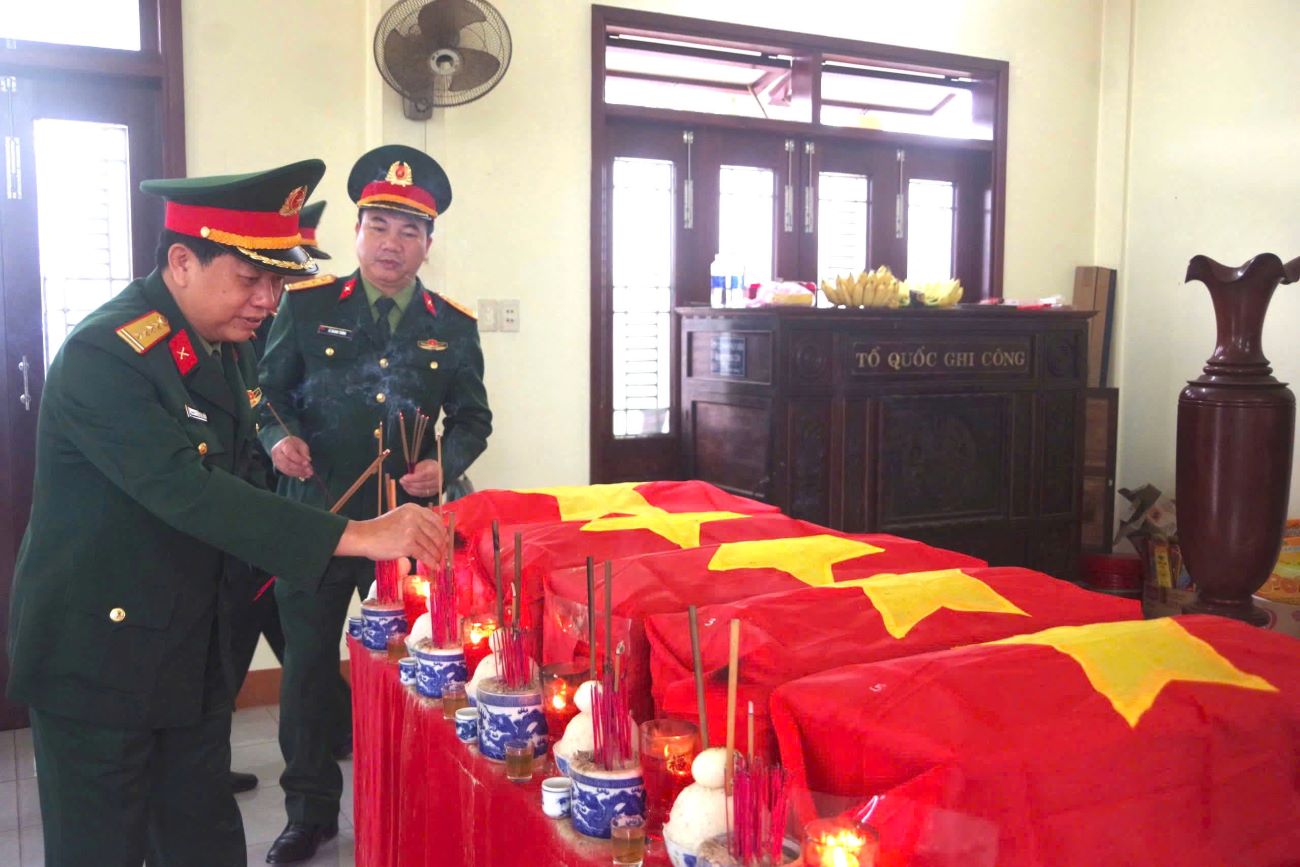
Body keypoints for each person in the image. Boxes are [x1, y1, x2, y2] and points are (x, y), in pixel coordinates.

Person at [5, 159, 449, 867]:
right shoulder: (108, 355)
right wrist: (356, 534)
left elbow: (247, 478)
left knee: (203, 840)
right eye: (252, 279)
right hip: (101, 659)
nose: (268, 300)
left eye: (277, 281)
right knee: (102, 847)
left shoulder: (224, 347)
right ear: (182, 261)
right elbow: (190, 491)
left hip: (190, 647)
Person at [257, 144, 492, 863]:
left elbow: (475, 419)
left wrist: (441, 464)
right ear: (358, 232)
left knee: (426, 660)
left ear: (428, 243)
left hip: (413, 525)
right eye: (380, 226)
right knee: (303, 667)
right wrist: (277, 438)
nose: (393, 244)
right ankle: (310, 810)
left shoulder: (450, 324)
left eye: (409, 231)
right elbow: (261, 393)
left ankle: (422, 788)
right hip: (321, 516)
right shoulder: (305, 306)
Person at [228, 198, 351, 796]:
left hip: (289, 506)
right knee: (259, 640)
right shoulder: (234, 328)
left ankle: (339, 731)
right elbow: (255, 407)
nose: (279, 293)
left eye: (295, 273)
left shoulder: (311, 316)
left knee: (296, 643)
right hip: (249, 509)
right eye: (273, 276)